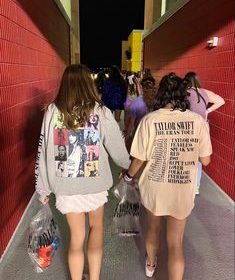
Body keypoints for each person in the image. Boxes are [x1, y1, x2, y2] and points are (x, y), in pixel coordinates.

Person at [35, 64, 130, 280]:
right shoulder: (101, 111)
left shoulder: (52, 111)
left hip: (66, 186)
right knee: (97, 229)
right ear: (89, 82)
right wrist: (127, 165)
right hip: (95, 184)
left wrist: (43, 188)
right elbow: (116, 146)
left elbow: (43, 150)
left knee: (76, 237)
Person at [120, 73, 212, 279]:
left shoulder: (149, 120)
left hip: (155, 186)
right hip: (182, 187)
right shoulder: (197, 121)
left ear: (161, 93)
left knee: (153, 228)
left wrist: (127, 176)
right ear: (183, 94)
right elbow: (205, 160)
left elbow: (139, 160)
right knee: (176, 242)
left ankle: (151, 263)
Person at [184, 71, 225, 194]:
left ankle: (187, 183)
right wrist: (208, 110)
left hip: (190, 128)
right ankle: (196, 186)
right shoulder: (205, 92)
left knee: (187, 154)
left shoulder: (185, 93)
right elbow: (221, 100)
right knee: (199, 156)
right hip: (204, 127)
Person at [124, 76, 156, 152]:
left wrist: (127, 137)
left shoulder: (136, 103)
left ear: (142, 87)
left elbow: (131, 123)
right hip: (154, 134)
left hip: (139, 134)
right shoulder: (158, 101)